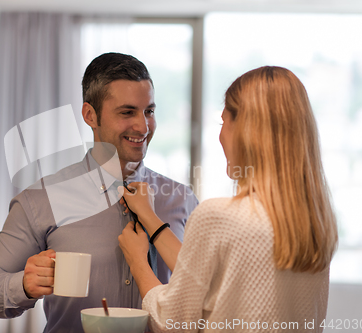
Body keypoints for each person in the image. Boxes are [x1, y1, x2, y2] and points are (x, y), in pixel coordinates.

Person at [0, 52, 198, 333]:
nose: (143, 126)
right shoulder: (40, 199)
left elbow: (203, 294)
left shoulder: (183, 200)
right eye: (127, 112)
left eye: (149, 111)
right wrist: (23, 285)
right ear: (90, 115)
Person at [118, 66, 338, 333]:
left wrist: (138, 262)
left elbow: (172, 322)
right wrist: (151, 220)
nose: (220, 136)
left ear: (247, 130)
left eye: (224, 123)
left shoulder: (219, 216)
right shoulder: (313, 225)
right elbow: (209, 279)